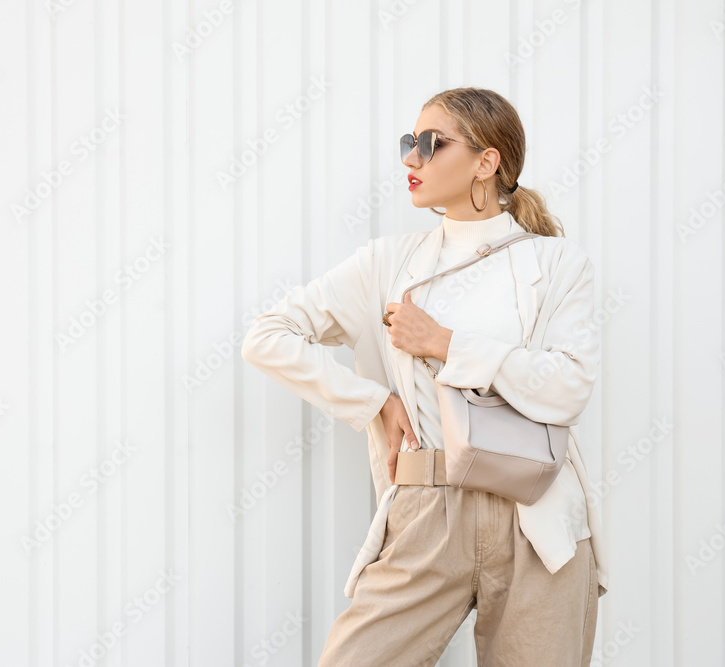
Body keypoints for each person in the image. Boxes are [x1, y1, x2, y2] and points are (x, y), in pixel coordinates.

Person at [241, 86, 608, 666]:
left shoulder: (556, 263)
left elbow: (568, 387)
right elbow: (268, 336)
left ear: (487, 162)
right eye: (409, 143)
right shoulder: (385, 263)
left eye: (431, 144)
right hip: (426, 504)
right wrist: (375, 402)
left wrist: (444, 343)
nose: (411, 159)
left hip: (537, 516)